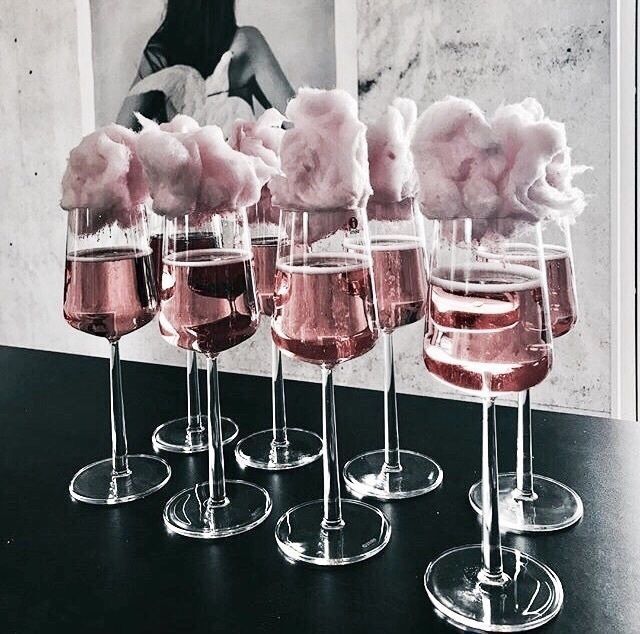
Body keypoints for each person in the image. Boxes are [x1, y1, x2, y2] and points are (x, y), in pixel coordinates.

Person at [117, 0, 294, 132]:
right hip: (239, 177)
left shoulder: (159, 53)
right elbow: (299, 125)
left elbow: (118, 138)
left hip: (181, 178)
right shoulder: (246, 43)